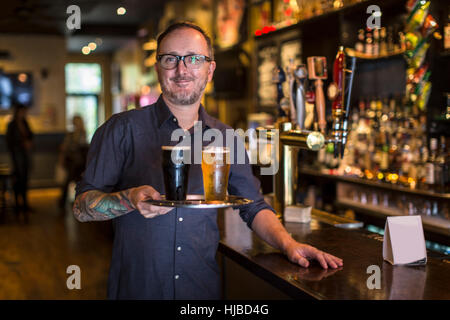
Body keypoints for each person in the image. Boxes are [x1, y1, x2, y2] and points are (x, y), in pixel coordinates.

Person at [73, 22, 343, 299]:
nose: (182, 69)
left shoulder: (226, 137)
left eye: (194, 58)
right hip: (137, 289)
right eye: (170, 59)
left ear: (210, 69)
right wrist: (128, 198)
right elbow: (82, 208)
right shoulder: (121, 129)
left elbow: (253, 205)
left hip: (201, 290)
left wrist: (289, 244)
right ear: (157, 68)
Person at [6, 103, 33, 216]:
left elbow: (31, 135)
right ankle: (17, 204)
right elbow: (9, 141)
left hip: (25, 155)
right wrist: (22, 144)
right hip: (17, 156)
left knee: (25, 179)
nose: (23, 114)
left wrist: (28, 143)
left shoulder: (25, 123)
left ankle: (25, 204)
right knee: (18, 179)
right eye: (22, 111)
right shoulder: (11, 125)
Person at [59, 115, 89, 207]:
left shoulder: (81, 133)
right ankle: (67, 202)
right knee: (71, 182)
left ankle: (73, 202)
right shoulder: (72, 134)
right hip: (73, 163)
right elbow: (64, 148)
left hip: (79, 163)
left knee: (74, 182)